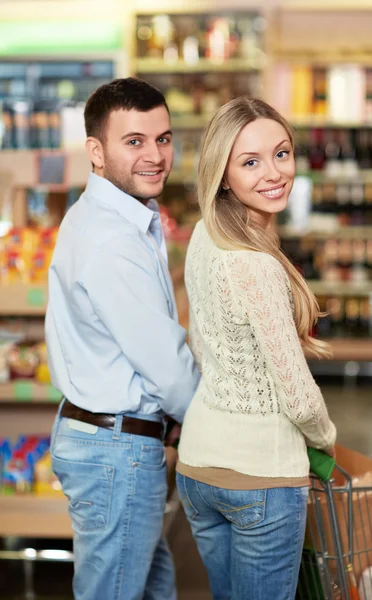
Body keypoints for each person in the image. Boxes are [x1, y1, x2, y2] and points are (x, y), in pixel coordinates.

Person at [175, 97, 337, 600]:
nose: (274, 173)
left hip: (198, 469)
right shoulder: (257, 266)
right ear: (223, 174)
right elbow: (298, 395)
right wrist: (326, 438)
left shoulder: (205, 235)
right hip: (262, 479)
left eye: (282, 153)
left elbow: (201, 346)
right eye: (250, 162)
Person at [45, 78, 200, 600]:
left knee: (154, 589)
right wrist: (215, 417)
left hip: (105, 441)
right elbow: (168, 367)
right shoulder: (113, 240)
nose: (155, 155)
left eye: (162, 138)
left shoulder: (108, 219)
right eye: (134, 141)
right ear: (97, 151)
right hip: (116, 452)